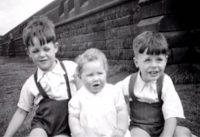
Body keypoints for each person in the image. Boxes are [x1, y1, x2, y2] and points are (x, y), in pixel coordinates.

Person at [4, 16, 77, 137]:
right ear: (29, 53)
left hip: (66, 126)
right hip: (42, 125)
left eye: (46, 49)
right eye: (36, 51)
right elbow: (21, 111)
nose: (42, 55)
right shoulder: (31, 83)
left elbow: (88, 89)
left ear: (55, 48)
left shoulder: (71, 69)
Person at [115, 31, 192, 137]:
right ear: (137, 62)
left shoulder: (165, 82)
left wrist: (165, 135)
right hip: (139, 128)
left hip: (163, 126)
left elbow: (171, 115)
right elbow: (112, 93)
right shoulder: (129, 82)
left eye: (159, 59)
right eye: (147, 60)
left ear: (166, 60)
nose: (154, 65)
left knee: (183, 132)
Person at [68, 48, 130, 137]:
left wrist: (120, 130)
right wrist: (78, 133)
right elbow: (74, 118)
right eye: (90, 75)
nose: (96, 78)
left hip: (114, 134)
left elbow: (122, 111)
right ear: (80, 76)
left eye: (100, 73)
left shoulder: (114, 92)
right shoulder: (77, 98)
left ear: (106, 71)